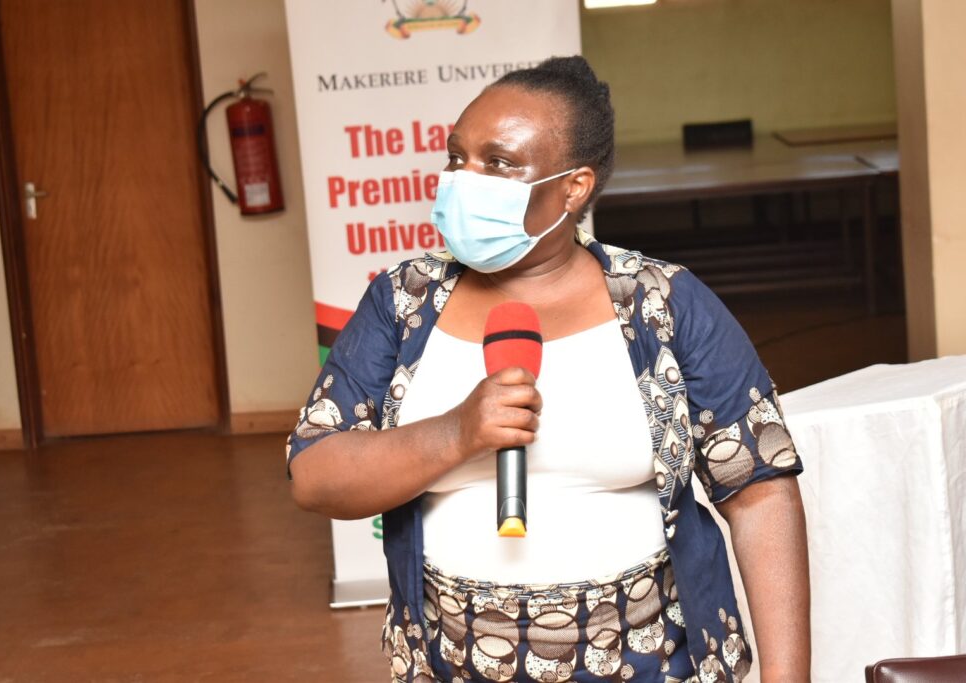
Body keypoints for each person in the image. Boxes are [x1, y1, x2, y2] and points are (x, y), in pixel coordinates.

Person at [287, 56, 810, 683]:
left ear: (574, 188)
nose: (464, 179)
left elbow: (760, 496)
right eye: (458, 158)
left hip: (654, 663)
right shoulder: (403, 302)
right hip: (454, 662)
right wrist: (456, 434)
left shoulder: (663, 303)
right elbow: (314, 475)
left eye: (499, 164)